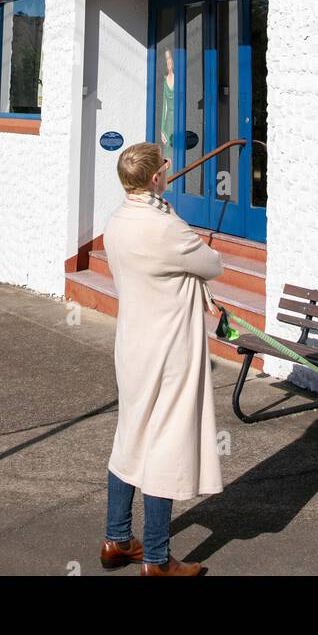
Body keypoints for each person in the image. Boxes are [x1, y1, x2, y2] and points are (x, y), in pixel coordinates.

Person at [100, 141, 224, 576]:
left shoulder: (116, 222)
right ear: (156, 178)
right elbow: (212, 263)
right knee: (165, 445)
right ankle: (156, 559)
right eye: (165, 166)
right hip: (169, 350)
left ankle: (116, 538)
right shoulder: (166, 227)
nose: (170, 169)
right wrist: (168, 211)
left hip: (132, 345)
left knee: (130, 436)